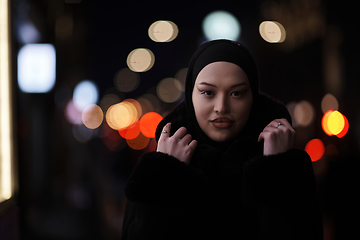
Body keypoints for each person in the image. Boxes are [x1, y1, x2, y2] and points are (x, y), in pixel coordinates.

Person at [121, 39, 323, 240]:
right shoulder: (158, 166)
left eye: (237, 93)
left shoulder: (287, 164)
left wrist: (274, 168)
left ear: (252, 96)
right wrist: (167, 173)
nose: (222, 107)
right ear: (191, 95)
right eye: (208, 92)